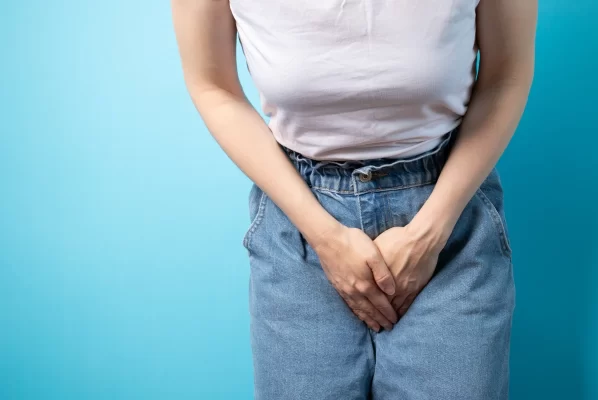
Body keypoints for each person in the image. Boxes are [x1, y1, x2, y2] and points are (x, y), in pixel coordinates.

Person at [171, 0, 537, 398]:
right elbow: (213, 85)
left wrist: (428, 235)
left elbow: (505, 76)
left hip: (449, 215)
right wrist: (325, 237)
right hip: (298, 223)